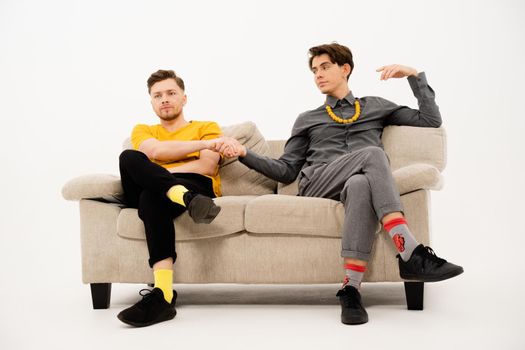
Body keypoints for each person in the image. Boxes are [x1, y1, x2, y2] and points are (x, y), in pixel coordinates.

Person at [213, 43, 463, 325]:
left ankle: (350, 290)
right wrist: (245, 154)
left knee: (359, 183)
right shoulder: (307, 119)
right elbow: (285, 171)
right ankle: (409, 251)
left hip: (359, 181)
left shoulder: (375, 106)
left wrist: (413, 75)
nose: (317, 75)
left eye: (325, 67)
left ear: (345, 69)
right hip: (319, 183)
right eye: (314, 70)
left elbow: (430, 120)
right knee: (372, 154)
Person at [117, 69, 222, 327]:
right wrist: (201, 146)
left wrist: (158, 175)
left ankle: (163, 295)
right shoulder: (143, 130)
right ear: (151, 102)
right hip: (177, 192)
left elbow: (206, 168)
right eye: (158, 95)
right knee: (128, 157)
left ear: (184, 98)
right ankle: (183, 197)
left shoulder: (207, 127)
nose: (164, 99)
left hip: (192, 185)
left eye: (171, 93)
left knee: (152, 197)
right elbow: (155, 150)